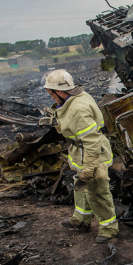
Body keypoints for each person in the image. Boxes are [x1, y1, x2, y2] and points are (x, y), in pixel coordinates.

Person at [45, 69, 119, 243]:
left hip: (91, 154)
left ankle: (109, 229)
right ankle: (81, 221)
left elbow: (92, 142)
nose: (51, 97)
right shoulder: (76, 97)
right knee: (81, 188)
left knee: (97, 192)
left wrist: (89, 168)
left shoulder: (78, 109)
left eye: (51, 93)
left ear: (61, 91)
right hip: (80, 152)